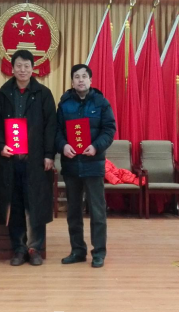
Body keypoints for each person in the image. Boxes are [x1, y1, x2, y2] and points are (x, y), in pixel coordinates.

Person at [0, 49, 56, 266]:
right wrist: (0, 146)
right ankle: (19, 249)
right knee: (16, 206)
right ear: (12, 68)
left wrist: (49, 154)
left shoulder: (43, 94)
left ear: (32, 68)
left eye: (26, 66)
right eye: (18, 66)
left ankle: (35, 248)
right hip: (10, 160)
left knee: (35, 205)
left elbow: (50, 126)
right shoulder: (2, 94)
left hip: (35, 161)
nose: (22, 70)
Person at [55, 64, 116, 268]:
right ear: (72, 82)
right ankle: (77, 250)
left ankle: (99, 252)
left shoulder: (101, 102)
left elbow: (109, 129)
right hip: (71, 165)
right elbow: (56, 131)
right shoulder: (64, 104)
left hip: (93, 164)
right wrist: (63, 146)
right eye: (76, 77)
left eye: (84, 76)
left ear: (90, 80)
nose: (80, 80)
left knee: (97, 211)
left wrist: (96, 146)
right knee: (73, 211)